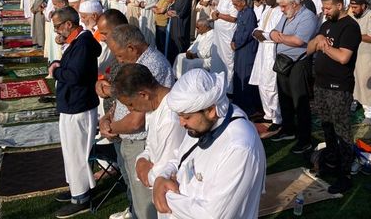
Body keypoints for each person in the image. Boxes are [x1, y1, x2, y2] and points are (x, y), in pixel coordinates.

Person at [152, 69, 266, 219]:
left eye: (186, 117)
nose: (181, 123)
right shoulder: (202, 125)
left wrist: (166, 194)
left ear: (211, 110)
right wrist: (162, 177)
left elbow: (213, 215)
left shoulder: (239, 149)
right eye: (179, 116)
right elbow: (179, 158)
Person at [99, 24, 175, 219]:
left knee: (146, 203)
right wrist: (109, 116)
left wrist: (110, 126)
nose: (118, 59)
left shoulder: (152, 65)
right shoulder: (138, 62)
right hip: (134, 142)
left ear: (131, 48)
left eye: (120, 55)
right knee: (136, 195)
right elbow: (126, 100)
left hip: (139, 139)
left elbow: (136, 121)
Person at [48, 7, 102, 218]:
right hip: (74, 103)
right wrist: (60, 65)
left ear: (68, 24)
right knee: (71, 151)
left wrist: (56, 71)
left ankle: (80, 197)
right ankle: (76, 188)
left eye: (57, 27)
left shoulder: (83, 43)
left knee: (76, 152)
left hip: (78, 105)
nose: (57, 31)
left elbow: (75, 75)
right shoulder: (80, 42)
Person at [308, 0, 362, 193]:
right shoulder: (326, 24)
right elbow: (309, 49)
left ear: (340, 5)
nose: (325, 11)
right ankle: (330, 162)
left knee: (342, 130)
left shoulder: (350, 27)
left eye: (328, 8)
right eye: (323, 8)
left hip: (339, 87)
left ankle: (345, 173)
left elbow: (343, 57)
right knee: (327, 126)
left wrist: (324, 46)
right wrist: (319, 38)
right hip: (321, 84)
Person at [111, 64, 185, 198]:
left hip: (173, 195)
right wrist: (141, 161)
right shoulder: (153, 109)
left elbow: (166, 170)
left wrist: (144, 173)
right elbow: (150, 146)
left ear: (144, 94)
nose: (130, 110)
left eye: (131, 104)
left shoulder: (170, 117)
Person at [269, 0, 318, 153]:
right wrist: (281, 36)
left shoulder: (307, 17)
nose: (281, 10)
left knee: (300, 102)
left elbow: (298, 41)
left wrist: (280, 37)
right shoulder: (287, 15)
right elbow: (273, 32)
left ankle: (305, 139)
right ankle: (288, 129)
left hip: (298, 63)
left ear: (294, 4)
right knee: (285, 98)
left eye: (283, 6)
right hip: (283, 62)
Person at [250, 0, 284, 134]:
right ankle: (268, 115)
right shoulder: (266, 9)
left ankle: (277, 118)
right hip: (262, 50)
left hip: (272, 50)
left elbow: (278, 34)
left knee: (271, 85)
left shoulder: (280, 12)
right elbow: (258, 28)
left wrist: (263, 35)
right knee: (262, 83)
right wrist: (256, 32)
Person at [349, 0, 371, 123]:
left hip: (367, 55)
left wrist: (354, 35)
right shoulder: (352, 15)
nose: (353, 9)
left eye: (355, 7)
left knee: (366, 82)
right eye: (351, 7)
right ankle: (356, 101)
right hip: (353, 53)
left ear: (363, 6)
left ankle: (369, 112)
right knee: (354, 80)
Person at [230, 0, 260, 116]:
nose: (234, 6)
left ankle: (249, 107)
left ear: (242, 2)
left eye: (236, 4)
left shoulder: (249, 13)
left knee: (245, 77)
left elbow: (248, 32)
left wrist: (237, 43)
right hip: (239, 49)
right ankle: (239, 102)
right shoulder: (241, 12)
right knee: (238, 75)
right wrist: (233, 40)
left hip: (246, 50)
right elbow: (237, 29)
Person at [210, 0, 238, 92]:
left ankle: (228, 89)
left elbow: (234, 18)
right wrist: (215, 14)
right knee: (217, 59)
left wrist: (218, 15)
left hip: (228, 36)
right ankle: (216, 85)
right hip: (218, 35)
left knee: (228, 61)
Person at [166, 0, 192, 64]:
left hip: (181, 27)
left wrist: (173, 13)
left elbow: (182, 13)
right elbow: (173, 9)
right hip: (174, 26)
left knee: (180, 49)